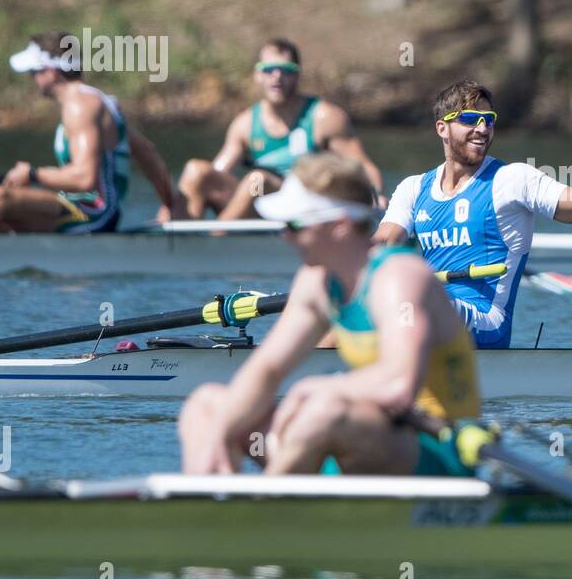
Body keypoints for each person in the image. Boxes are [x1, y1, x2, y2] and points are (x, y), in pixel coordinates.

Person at [178, 153, 480, 476]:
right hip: (345, 441)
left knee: (322, 409)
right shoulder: (317, 282)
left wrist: (316, 389)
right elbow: (266, 370)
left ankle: (266, 510)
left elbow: (399, 383)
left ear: (339, 225)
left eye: (295, 225)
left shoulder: (398, 278)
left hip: (434, 453)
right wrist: (219, 434)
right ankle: (209, 509)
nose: (286, 237)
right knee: (206, 406)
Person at [372, 79, 572, 349]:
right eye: (471, 119)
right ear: (442, 128)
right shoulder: (414, 188)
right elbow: (385, 241)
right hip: (431, 310)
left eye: (489, 119)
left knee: (412, 298)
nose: (482, 129)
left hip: (486, 322)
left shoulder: (512, 179)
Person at [0, 31, 177, 234]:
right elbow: (147, 153)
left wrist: (33, 175)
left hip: (94, 214)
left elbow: (84, 179)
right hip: (88, 209)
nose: (32, 79)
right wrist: (170, 204)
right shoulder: (100, 102)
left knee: (1, 198)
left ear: (53, 72)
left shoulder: (80, 106)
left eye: (34, 72)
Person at [173, 39, 385, 220]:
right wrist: (171, 204)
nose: (276, 77)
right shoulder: (245, 123)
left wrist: (374, 197)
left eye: (286, 70)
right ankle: (176, 234)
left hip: (306, 204)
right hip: (259, 205)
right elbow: (216, 174)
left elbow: (364, 167)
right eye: (268, 70)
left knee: (257, 179)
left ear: (297, 75)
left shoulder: (324, 117)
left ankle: (213, 241)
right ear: (258, 75)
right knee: (195, 170)